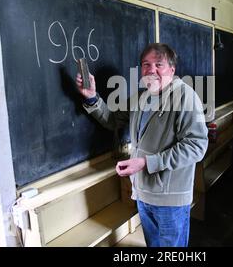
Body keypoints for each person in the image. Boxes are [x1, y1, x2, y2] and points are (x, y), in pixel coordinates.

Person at [76, 43, 208, 247]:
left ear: (172, 69)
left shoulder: (186, 97)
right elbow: (112, 120)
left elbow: (197, 146)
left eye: (159, 64)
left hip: (170, 201)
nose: (151, 70)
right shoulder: (140, 97)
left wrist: (148, 163)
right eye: (146, 64)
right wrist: (92, 96)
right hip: (143, 194)